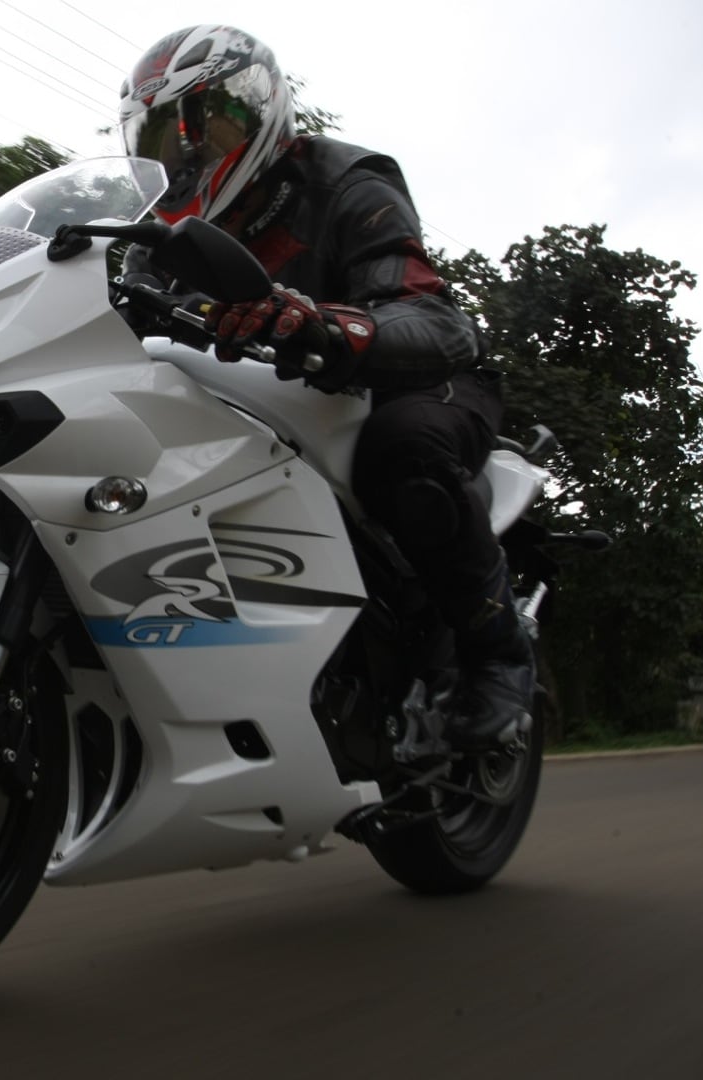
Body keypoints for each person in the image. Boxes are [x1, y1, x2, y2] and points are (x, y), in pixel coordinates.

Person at [118, 24, 533, 750]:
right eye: (161, 139)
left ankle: (497, 656)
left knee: (401, 453)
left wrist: (330, 327)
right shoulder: (159, 241)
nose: (183, 155)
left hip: (416, 382)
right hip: (273, 400)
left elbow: (432, 318)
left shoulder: (346, 183)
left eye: (202, 127)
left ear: (258, 109)